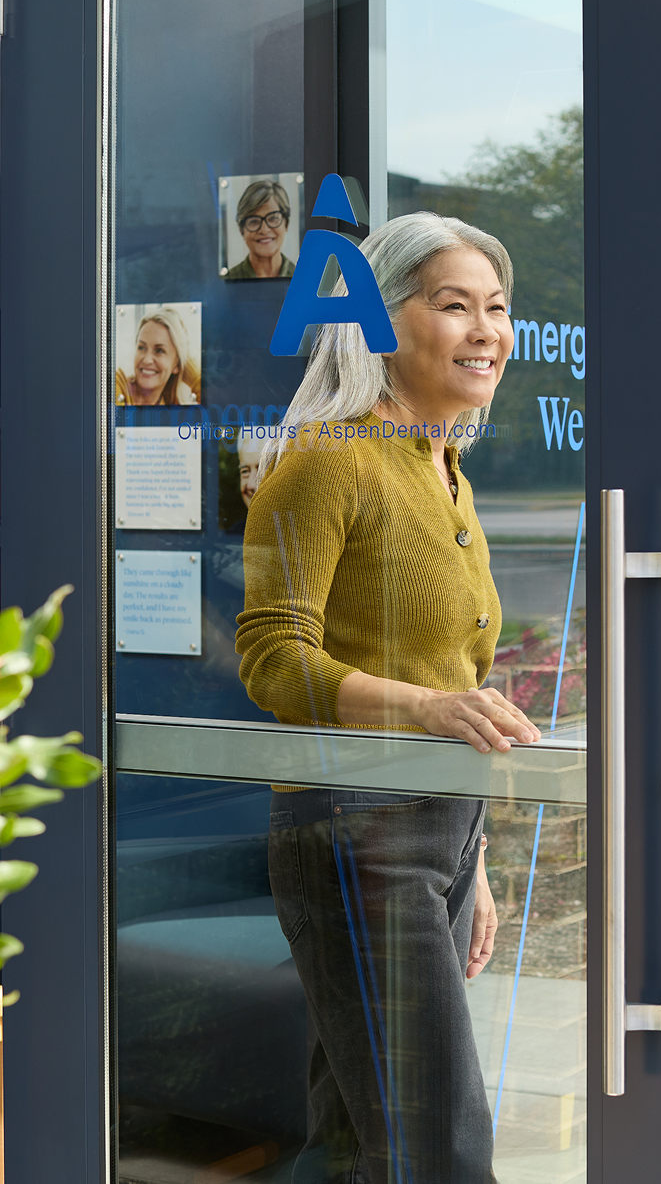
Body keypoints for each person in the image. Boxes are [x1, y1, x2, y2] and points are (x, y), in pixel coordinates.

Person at [236, 213, 540, 1184]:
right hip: (353, 833)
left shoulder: (445, 469)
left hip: (440, 832)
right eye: (453, 305)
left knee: (357, 1141)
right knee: (438, 1144)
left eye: (495, 307)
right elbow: (271, 658)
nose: (484, 329)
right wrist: (420, 710)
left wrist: (476, 860)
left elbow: (459, 683)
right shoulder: (330, 458)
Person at [115, 306, 201, 406]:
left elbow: (214, 410)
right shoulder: (116, 385)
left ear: (176, 365)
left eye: (159, 350)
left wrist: (196, 379)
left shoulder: (171, 406)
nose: (147, 360)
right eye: (141, 347)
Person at [223, 179, 296, 280]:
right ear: (241, 230)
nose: (264, 230)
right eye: (253, 221)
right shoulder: (227, 281)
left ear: (286, 224)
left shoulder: (304, 278)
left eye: (273, 218)